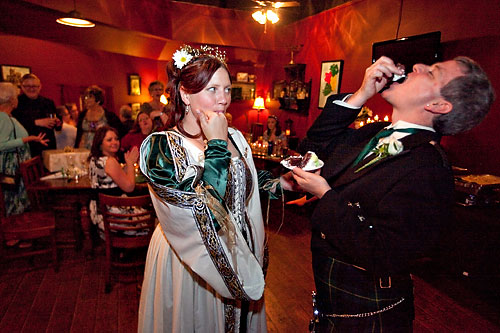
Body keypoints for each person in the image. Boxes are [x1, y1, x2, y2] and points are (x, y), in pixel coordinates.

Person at [293, 56, 494, 332]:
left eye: (432, 72)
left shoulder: (430, 168)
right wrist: (362, 94)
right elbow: (313, 146)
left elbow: (384, 252)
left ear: (438, 105)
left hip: (369, 314)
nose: (417, 66)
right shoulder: (375, 132)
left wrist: (326, 196)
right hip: (333, 302)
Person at [138, 45, 294, 332]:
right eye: (213, 90)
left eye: (228, 89)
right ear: (185, 94)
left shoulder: (233, 135)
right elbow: (200, 205)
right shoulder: (161, 148)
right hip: (189, 257)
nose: (223, 100)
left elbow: (244, 177)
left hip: (239, 251)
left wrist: (279, 183)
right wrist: (216, 146)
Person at [0, 82, 48, 217]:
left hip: (15, 165)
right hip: (11, 168)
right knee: (12, 203)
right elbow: (1, 144)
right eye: (15, 96)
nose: (17, 99)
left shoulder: (7, 116)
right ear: (10, 99)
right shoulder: (3, 117)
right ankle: (13, 233)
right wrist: (28, 139)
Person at [87, 126, 139, 235]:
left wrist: (128, 164)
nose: (114, 142)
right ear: (100, 144)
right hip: (114, 219)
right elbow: (130, 187)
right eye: (109, 140)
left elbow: (116, 176)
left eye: (116, 139)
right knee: (158, 222)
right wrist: (130, 164)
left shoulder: (94, 159)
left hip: (99, 213)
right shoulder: (110, 161)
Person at [12, 74, 58, 158]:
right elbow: (14, 125)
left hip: (48, 145)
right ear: (22, 87)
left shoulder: (48, 102)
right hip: (28, 146)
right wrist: (36, 122)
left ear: (40, 87)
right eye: (27, 86)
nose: (31, 89)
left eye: (34, 86)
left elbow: (57, 125)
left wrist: (58, 123)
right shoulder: (16, 102)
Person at [75, 85, 121, 150]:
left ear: (98, 100)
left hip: (102, 150)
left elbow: (118, 133)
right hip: (84, 149)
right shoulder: (82, 115)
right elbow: (79, 134)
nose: (86, 100)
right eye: (86, 97)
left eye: (90, 97)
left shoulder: (109, 116)